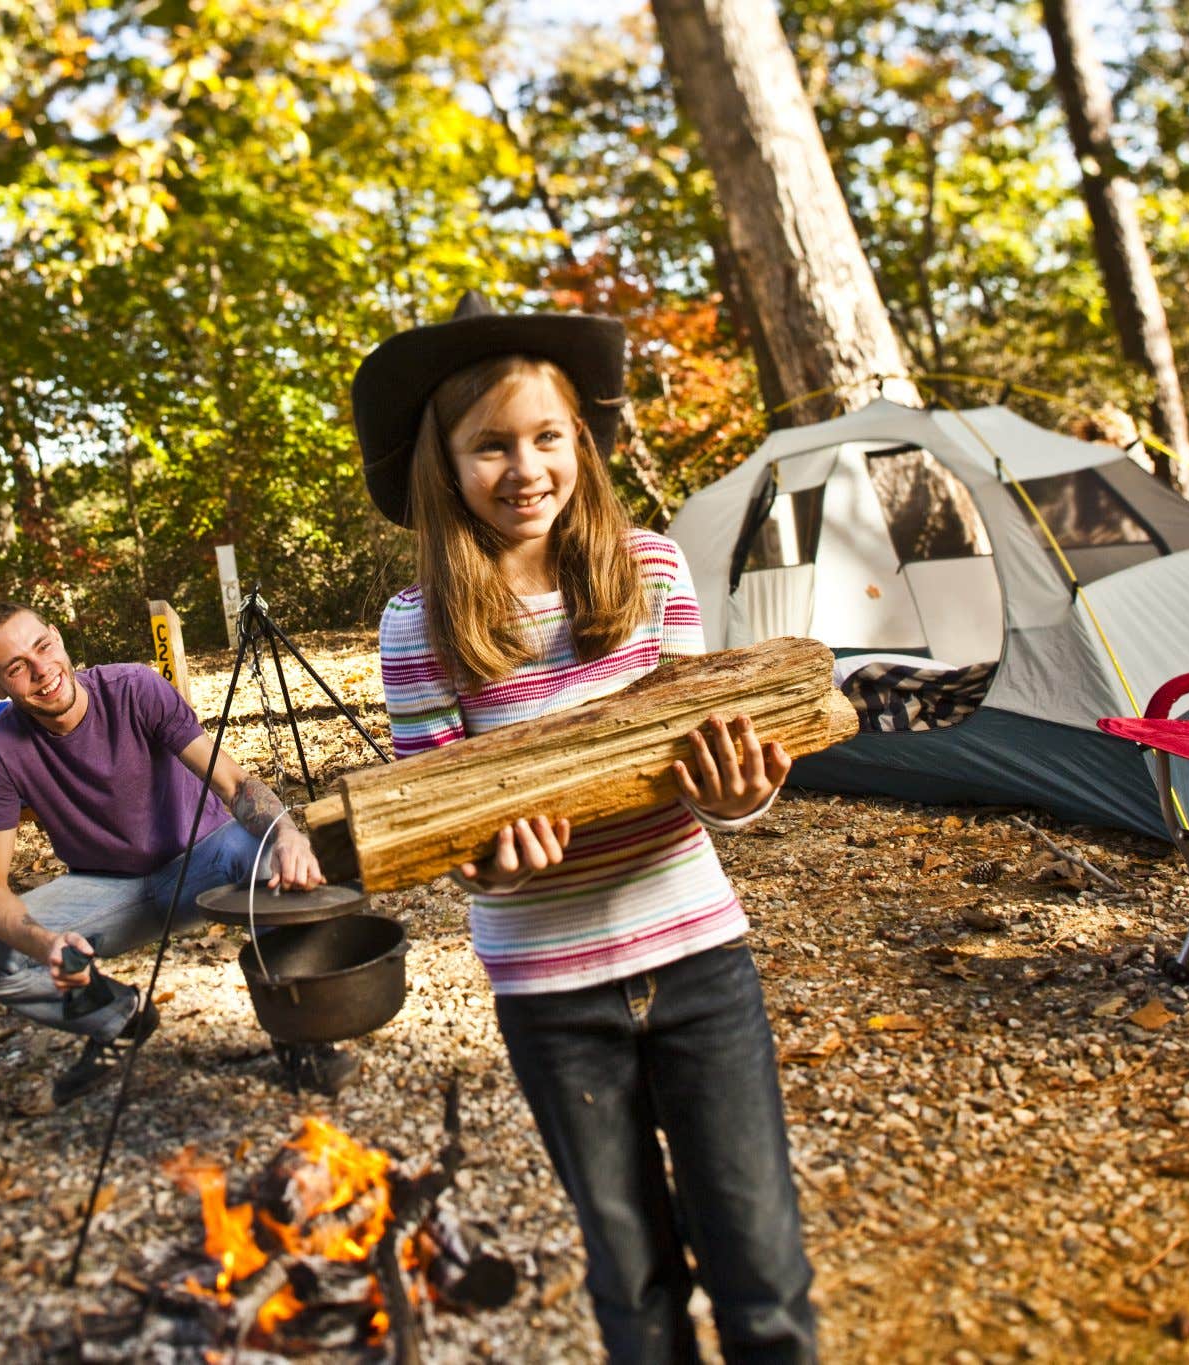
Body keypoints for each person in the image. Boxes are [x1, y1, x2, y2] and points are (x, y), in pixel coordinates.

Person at [356, 293, 817, 1362]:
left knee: (761, 1272)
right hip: (550, 991)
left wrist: (741, 796)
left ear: (579, 445)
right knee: (630, 1276)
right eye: (489, 447)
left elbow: (704, 769)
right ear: (443, 463)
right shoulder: (417, 625)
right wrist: (494, 872)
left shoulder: (648, 568)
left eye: (544, 438)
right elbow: (441, 823)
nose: (523, 469)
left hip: (698, 959)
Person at [0, 602, 356, 1105]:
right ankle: (119, 1018)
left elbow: (232, 782)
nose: (40, 670)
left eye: (42, 646)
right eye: (15, 668)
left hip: (207, 856)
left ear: (57, 635)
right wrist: (45, 944)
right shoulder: (2, 749)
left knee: (276, 859)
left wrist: (287, 835)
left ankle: (304, 1034)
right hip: (110, 888)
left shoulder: (132, 689)